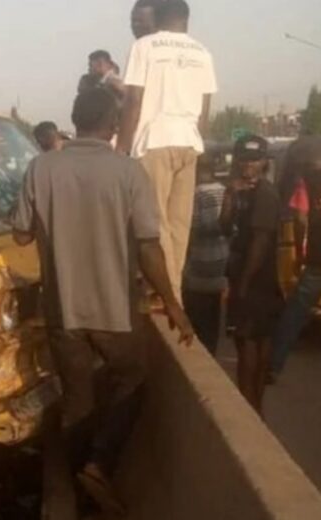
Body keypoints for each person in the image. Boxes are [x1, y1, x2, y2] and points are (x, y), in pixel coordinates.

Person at [11, 88, 194, 520]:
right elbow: (149, 248)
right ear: (112, 124)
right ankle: (101, 462)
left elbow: (19, 235)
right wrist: (173, 304)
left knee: (76, 402)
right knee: (132, 377)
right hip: (115, 311)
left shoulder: (41, 168)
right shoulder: (128, 172)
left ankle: (87, 507)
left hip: (63, 313)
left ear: (74, 122)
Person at [118, 0, 218, 299]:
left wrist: (121, 149)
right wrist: (195, 140)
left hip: (155, 141)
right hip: (188, 142)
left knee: (155, 222)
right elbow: (205, 107)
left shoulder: (144, 47)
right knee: (179, 224)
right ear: (185, 19)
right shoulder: (202, 52)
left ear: (156, 18)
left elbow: (133, 100)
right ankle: (173, 290)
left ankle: (165, 293)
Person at [219, 135, 282, 414]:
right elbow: (224, 227)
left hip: (258, 280)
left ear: (265, 162)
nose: (248, 165)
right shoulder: (242, 192)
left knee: (250, 343)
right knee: (253, 341)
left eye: (254, 160)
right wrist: (230, 196)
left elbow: (260, 242)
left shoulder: (265, 194)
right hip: (245, 276)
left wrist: (242, 286)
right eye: (243, 159)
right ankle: (254, 409)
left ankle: (250, 408)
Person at [270, 136, 321, 377]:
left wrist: (303, 251)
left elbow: (300, 218)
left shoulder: (307, 182)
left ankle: (273, 366)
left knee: (294, 313)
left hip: (316, 258)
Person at [181, 155, 229, 354]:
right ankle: (212, 353)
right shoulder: (224, 191)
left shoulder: (195, 195)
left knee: (195, 318)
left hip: (198, 266)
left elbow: (190, 228)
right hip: (221, 264)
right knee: (213, 318)